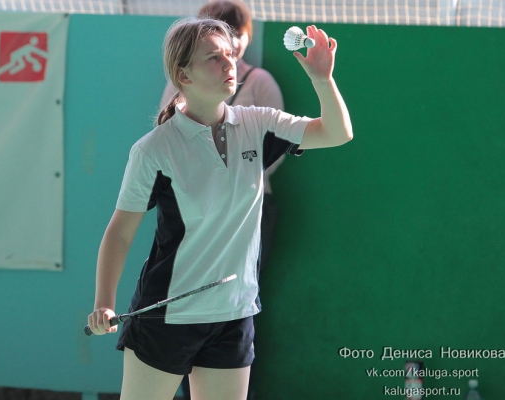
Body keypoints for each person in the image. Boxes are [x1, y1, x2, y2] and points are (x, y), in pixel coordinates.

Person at [87, 16, 352, 400]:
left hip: (234, 314)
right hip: (167, 316)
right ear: (184, 75)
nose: (230, 63)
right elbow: (120, 232)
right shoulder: (153, 150)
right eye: (214, 57)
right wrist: (103, 304)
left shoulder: (259, 125)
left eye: (230, 54)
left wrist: (323, 80)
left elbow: (336, 133)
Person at [159, 2, 287, 398]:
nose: (228, 49)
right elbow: (168, 133)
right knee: (186, 297)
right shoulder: (173, 103)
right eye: (213, 48)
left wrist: (235, 181)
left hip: (250, 210)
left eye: (235, 36)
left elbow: (277, 147)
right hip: (191, 208)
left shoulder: (260, 82)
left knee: (238, 302)